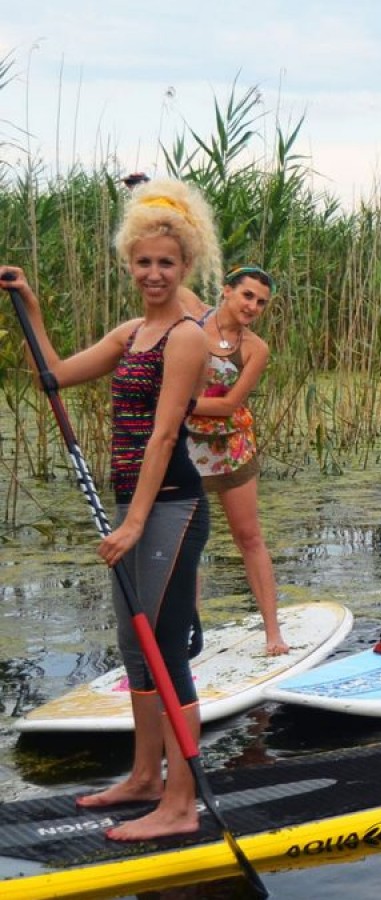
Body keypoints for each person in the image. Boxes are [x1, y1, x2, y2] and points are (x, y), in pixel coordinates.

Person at [3, 177, 215, 841]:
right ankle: (145, 777)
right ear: (129, 263)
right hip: (136, 505)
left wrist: (133, 522)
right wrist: (30, 307)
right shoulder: (131, 333)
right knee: (134, 648)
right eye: (143, 262)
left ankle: (181, 803)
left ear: (185, 265)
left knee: (166, 652)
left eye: (166, 263)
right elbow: (54, 375)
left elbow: (164, 436)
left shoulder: (185, 337)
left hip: (172, 507)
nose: (154, 273)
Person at [185, 264, 289, 655]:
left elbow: (229, 404)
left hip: (231, 447)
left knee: (249, 537)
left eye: (261, 303)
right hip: (187, 446)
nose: (252, 306)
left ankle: (273, 633)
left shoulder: (255, 348)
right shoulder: (192, 318)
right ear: (226, 290)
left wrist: (174, 403)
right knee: (186, 544)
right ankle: (188, 634)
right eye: (247, 295)